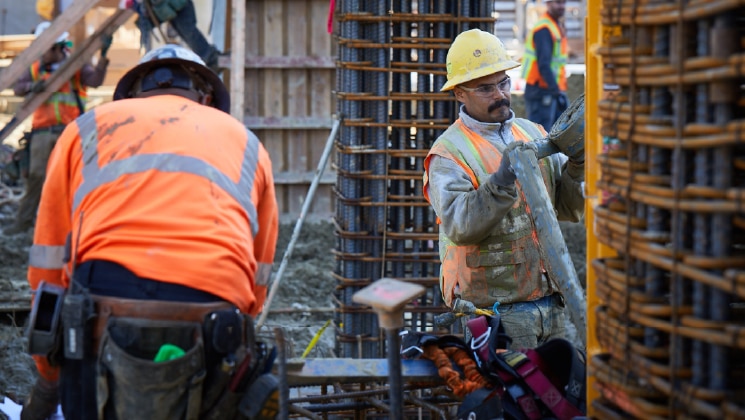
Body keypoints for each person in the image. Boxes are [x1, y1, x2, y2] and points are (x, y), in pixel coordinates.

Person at [20, 44, 279, 420]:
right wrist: (237, 327)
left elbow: (48, 264)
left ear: (134, 92)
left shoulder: (87, 128)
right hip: (214, 314)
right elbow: (259, 271)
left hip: (98, 311)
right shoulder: (248, 145)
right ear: (205, 97)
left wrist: (49, 367)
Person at [423, 28, 584, 350]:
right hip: (497, 314)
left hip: (551, 302)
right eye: (485, 88)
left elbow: (567, 207)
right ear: (459, 94)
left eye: (503, 83)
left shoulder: (531, 132)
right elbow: (460, 226)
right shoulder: (449, 154)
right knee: (512, 398)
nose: (500, 94)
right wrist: (501, 180)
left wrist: (578, 166)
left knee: (558, 394)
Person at [4, 21, 110, 235]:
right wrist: (33, 87)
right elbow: (18, 88)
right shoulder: (35, 67)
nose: (44, 53)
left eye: (47, 48)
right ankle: (23, 223)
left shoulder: (75, 64)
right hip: (42, 130)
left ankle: (76, 223)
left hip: (71, 131)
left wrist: (103, 57)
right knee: (35, 177)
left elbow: (95, 81)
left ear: (57, 46)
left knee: (75, 178)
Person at [125, 0, 224, 72]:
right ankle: (210, 58)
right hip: (171, 8)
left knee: (189, 32)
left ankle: (211, 58)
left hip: (177, 5)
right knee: (187, 33)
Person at [522, 0, 569, 130]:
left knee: (554, 135)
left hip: (549, 89)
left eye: (563, 3)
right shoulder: (544, 28)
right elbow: (544, 64)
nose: (562, 6)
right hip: (541, 90)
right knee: (541, 135)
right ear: (548, 4)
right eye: (558, 3)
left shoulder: (555, 26)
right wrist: (556, 90)